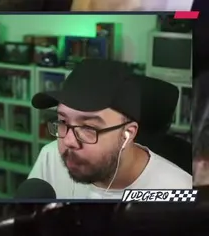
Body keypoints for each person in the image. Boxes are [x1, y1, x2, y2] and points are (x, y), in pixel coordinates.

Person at [25, 59, 192, 199]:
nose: (68, 141)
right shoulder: (50, 157)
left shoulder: (179, 189)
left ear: (128, 134)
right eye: (63, 121)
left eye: (88, 127)